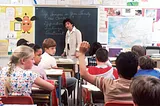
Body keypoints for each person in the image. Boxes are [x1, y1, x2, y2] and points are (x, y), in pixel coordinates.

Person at [38, 38, 76, 106]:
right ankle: (63, 98)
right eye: (52, 48)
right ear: (46, 49)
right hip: (54, 81)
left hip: (44, 81)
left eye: (55, 48)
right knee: (73, 80)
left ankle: (62, 97)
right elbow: (57, 72)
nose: (54, 50)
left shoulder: (40, 57)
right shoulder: (52, 59)